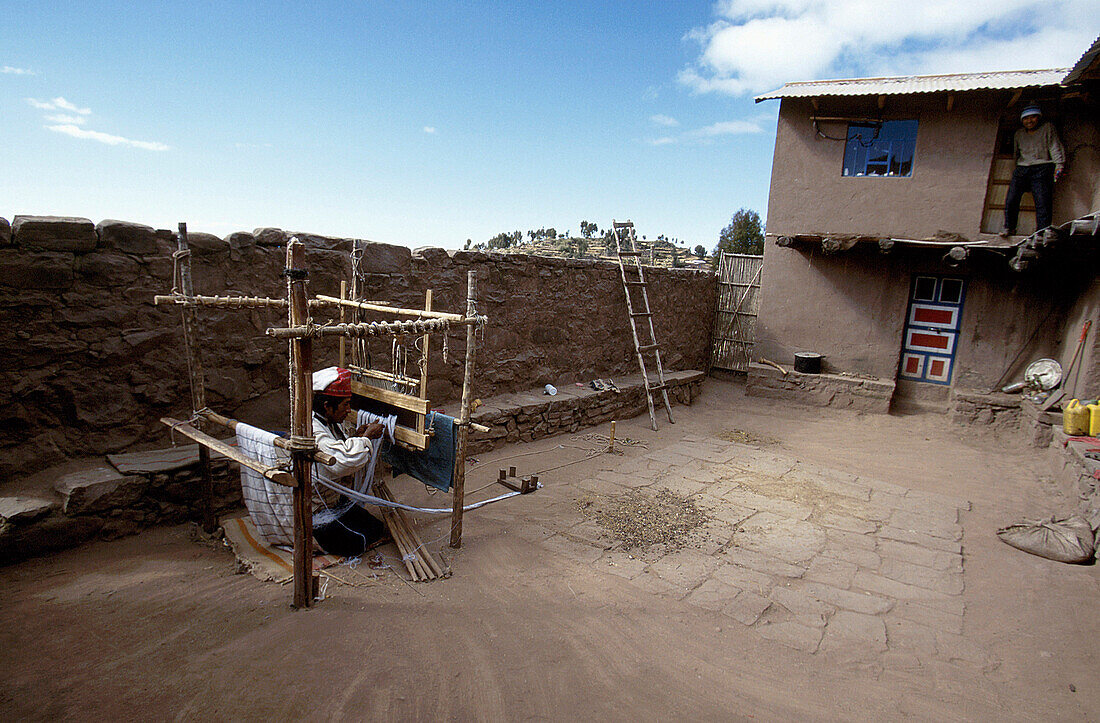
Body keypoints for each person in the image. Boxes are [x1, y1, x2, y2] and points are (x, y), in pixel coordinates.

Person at [310, 366, 389, 556]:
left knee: (377, 528)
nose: (349, 410)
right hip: (316, 509)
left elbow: (338, 448)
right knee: (357, 542)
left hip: (334, 501)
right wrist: (367, 438)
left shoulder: (328, 423)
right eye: (345, 405)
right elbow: (342, 461)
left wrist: (355, 436)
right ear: (327, 406)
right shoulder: (312, 430)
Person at [1001, 104, 1065, 236]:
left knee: (1042, 200)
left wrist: (1059, 165)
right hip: (1022, 168)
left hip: (1042, 167)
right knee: (1011, 199)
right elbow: (1016, 153)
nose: (1029, 121)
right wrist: (1014, 170)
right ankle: (1009, 227)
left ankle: (1042, 231)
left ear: (1038, 118)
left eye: (1033, 117)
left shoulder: (1047, 128)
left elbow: (1054, 146)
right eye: (1026, 118)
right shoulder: (1019, 134)